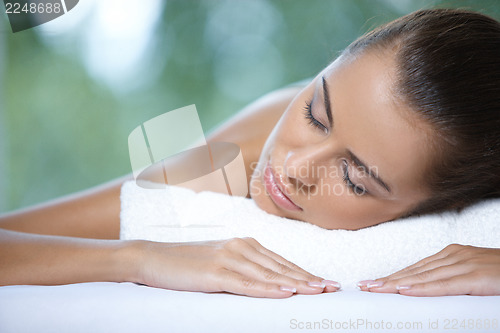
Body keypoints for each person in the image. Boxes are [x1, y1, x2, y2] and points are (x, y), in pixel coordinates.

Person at [1, 8, 500, 298]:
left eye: (354, 179)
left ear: (443, 208)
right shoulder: (240, 153)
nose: (294, 167)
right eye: (314, 114)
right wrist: (139, 257)